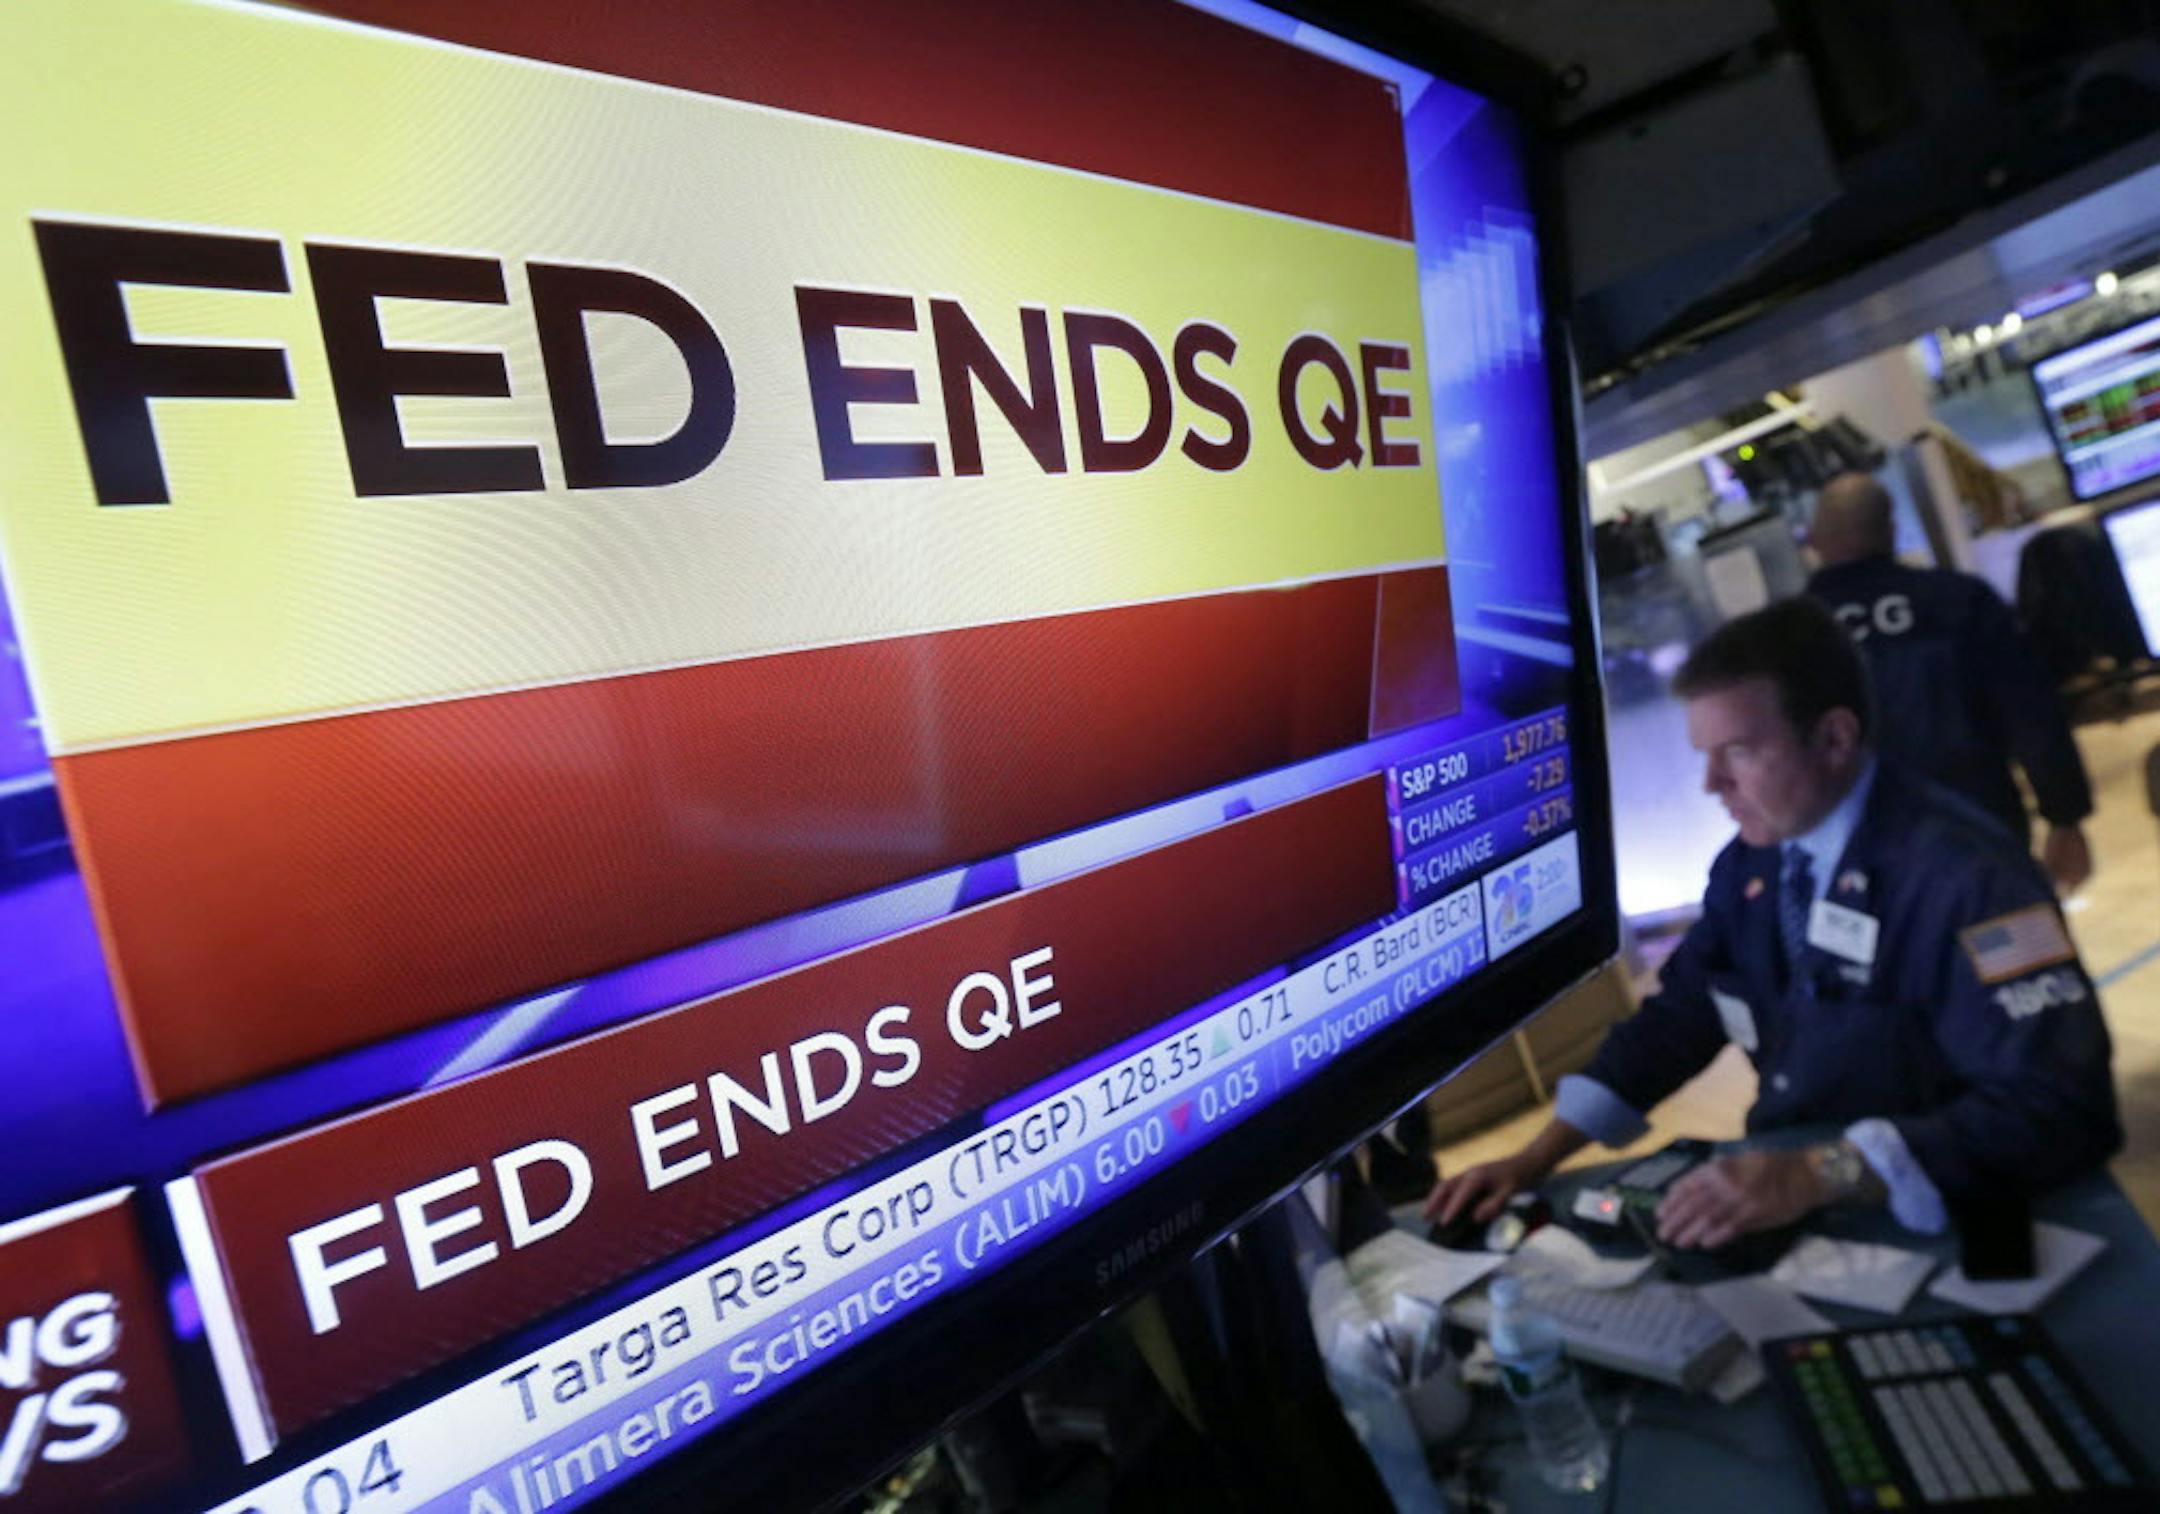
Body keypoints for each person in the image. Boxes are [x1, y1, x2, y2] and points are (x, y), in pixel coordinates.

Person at [1428, 598, 2119, 1249]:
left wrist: (1822, 1172)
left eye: (1738, 751)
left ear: (1834, 738)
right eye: (1705, 754)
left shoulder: (1971, 882)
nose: (1711, 785)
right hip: (1800, 1211)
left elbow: (2060, 1107)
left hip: (1943, 1217)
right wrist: (1533, 1158)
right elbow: (1682, 1016)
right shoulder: (1753, 867)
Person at [1806, 470, 2095, 895]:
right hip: (1981, 829)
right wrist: (2065, 816)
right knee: (2015, 952)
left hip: (1858, 856)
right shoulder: (1960, 601)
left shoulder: (1792, 633)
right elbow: (2032, 714)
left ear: (1814, 541)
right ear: (1891, 532)